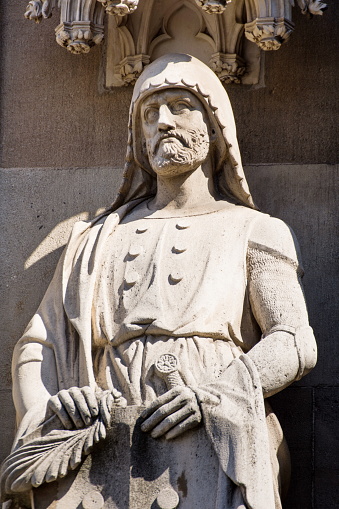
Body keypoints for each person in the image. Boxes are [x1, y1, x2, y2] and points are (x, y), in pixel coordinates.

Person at [1, 54, 317, 509]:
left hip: (207, 438)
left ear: (214, 126)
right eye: (149, 114)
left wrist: (214, 395)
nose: (163, 122)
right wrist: (51, 405)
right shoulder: (93, 239)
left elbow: (293, 340)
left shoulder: (255, 229)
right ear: (138, 137)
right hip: (99, 439)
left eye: (180, 106)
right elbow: (39, 345)